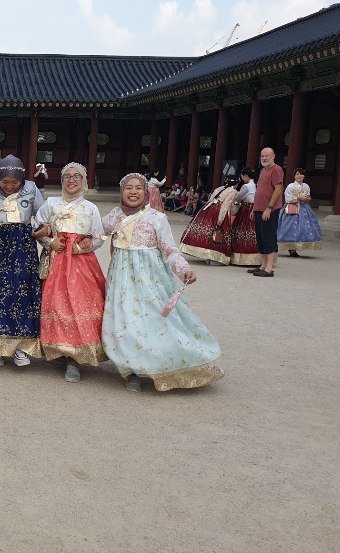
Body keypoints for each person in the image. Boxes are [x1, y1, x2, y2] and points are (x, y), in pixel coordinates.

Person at [101, 173, 223, 392]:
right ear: (121, 191)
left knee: (153, 321)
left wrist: (184, 269)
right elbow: (94, 233)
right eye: (128, 188)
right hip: (121, 281)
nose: (133, 192)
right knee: (125, 321)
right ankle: (132, 370)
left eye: (139, 188)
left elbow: (169, 249)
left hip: (151, 280)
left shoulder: (156, 218)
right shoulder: (114, 216)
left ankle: (164, 363)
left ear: (146, 193)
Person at [36, 162, 106, 382]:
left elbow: (98, 237)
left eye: (77, 176)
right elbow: (38, 227)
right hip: (56, 261)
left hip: (81, 264)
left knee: (79, 305)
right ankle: (59, 349)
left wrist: (79, 247)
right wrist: (50, 242)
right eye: (67, 176)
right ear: (61, 180)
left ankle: (75, 357)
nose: (71, 180)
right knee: (55, 305)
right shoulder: (50, 203)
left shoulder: (90, 208)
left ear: (84, 180)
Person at [0, 155, 46, 367]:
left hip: (23, 248)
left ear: (22, 179)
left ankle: (20, 348)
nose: (9, 186)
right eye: (5, 182)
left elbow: (43, 218)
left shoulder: (32, 189)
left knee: (22, 294)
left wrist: (46, 234)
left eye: (14, 182)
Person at [178, 177, 237, 265]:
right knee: (218, 231)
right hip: (218, 210)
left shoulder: (220, 188)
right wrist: (221, 218)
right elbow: (225, 205)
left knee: (206, 230)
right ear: (236, 184)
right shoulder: (233, 191)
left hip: (209, 208)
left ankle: (206, 254)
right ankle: (214, 257)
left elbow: (211, 198)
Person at [250, 147, 284, 278]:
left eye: (267, 156)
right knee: (261, 238)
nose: (264, 158)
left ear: (273, 156)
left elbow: (278, 189)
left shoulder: (276, 169)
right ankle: (263, 265)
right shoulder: (263, 170)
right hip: (259, 209)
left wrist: (269, 207)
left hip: (269, 210)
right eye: (262, 156)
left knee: (269, 237)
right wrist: (254, 208)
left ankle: (269, 267)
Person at [277, 168, 323, 257]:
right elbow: (287, 198)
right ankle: (292, 249)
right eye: (297, 174)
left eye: (301, 174)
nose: (299, 176)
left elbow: (308, 195)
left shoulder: (306, 186)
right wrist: (298, 198)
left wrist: (308, 199)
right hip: (292, 207)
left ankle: (297, 246)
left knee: (304, 228)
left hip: (304, 208)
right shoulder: (290, 186)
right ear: (294, 176)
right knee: (291, 227)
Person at [229, 168, 259, 266]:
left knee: (241, 231)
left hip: (246, 209)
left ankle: (241, 257)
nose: (242, 178)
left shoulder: (246, 186)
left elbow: (238, 198)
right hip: (254, 208)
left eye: (242, 176)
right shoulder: (256, 185)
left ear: (246, 176)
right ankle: (257, 257)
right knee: (254, 232)